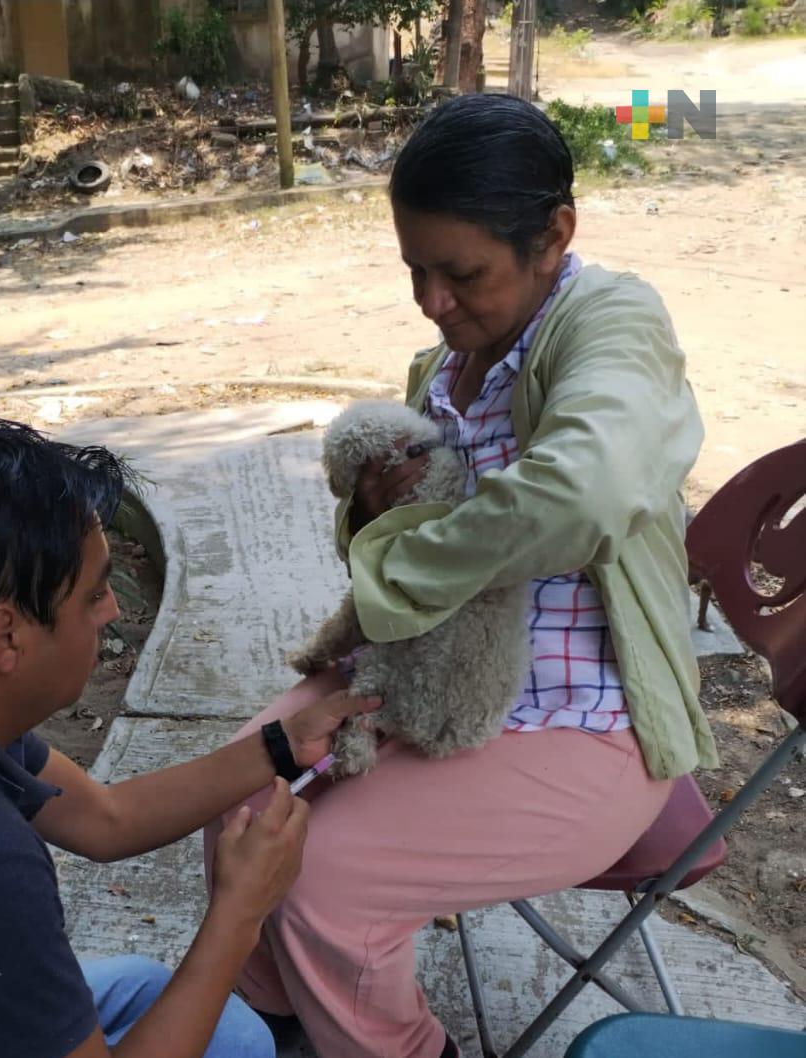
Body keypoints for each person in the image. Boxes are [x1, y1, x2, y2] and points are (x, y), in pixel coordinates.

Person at [203, 94, 719, 1058]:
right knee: (236, 808)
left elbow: (583, 495)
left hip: (586, 722)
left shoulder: (613, 323)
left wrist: (395, 559)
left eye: (462, 273)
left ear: (554, 236)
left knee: (323, 878)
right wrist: (369, 510)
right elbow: (392, 545)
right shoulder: (442, 363)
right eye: (416, 271)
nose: (436, 303)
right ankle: (280, 1033)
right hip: (426, 679)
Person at [0, 418, 378, 1058]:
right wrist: (241, 914)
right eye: (94, 594)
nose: (113, 611)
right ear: (4, 635)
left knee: (176, 1001)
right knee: (237, 1045)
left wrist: (281, 745)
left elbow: (106, 818)